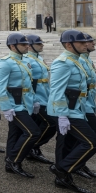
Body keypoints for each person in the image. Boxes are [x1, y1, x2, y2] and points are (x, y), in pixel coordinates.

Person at [47, 29, 96, 193]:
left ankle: (64, 176)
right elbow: (56, 91)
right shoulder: (62, 62)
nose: (86, 45)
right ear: (69, 45)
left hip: (78, 109)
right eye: (81, 42)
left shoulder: (76, 60)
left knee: (71, 143)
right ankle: (61, 168)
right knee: (92, 142)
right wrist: (62, 115)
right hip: (67, 111)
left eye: (86, 42)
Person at [0, 33, 40, 178]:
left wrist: (34, 100)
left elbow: (28, 84)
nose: (27, 46)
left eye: (27, 44)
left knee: (15, 134)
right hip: (14, 105)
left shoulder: (24, 61)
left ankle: (11, 164)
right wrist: (6, 107)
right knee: (33, 132)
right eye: (23, 44)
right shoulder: (5, 63)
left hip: (25, 104)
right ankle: (13, 160)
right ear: (13, 46)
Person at [71, 34, 96, 179]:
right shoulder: (80, 60)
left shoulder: (87, 59)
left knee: (90, 136)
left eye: (89, 41)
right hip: (81, 103)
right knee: (94, 135)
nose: (91, 43)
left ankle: (79, 163)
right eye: (88, 42)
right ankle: (72, 164)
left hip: (88, 101)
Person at [22, 35, 54, 164]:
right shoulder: (26, 60)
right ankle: (31, 147)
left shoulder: (39, 58)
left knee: (39, 124)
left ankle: (34, 149)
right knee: (51, 124)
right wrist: (33, 99)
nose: (42, 45)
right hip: (36, 98)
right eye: (39, 43)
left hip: (45, 95)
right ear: (29, 46)